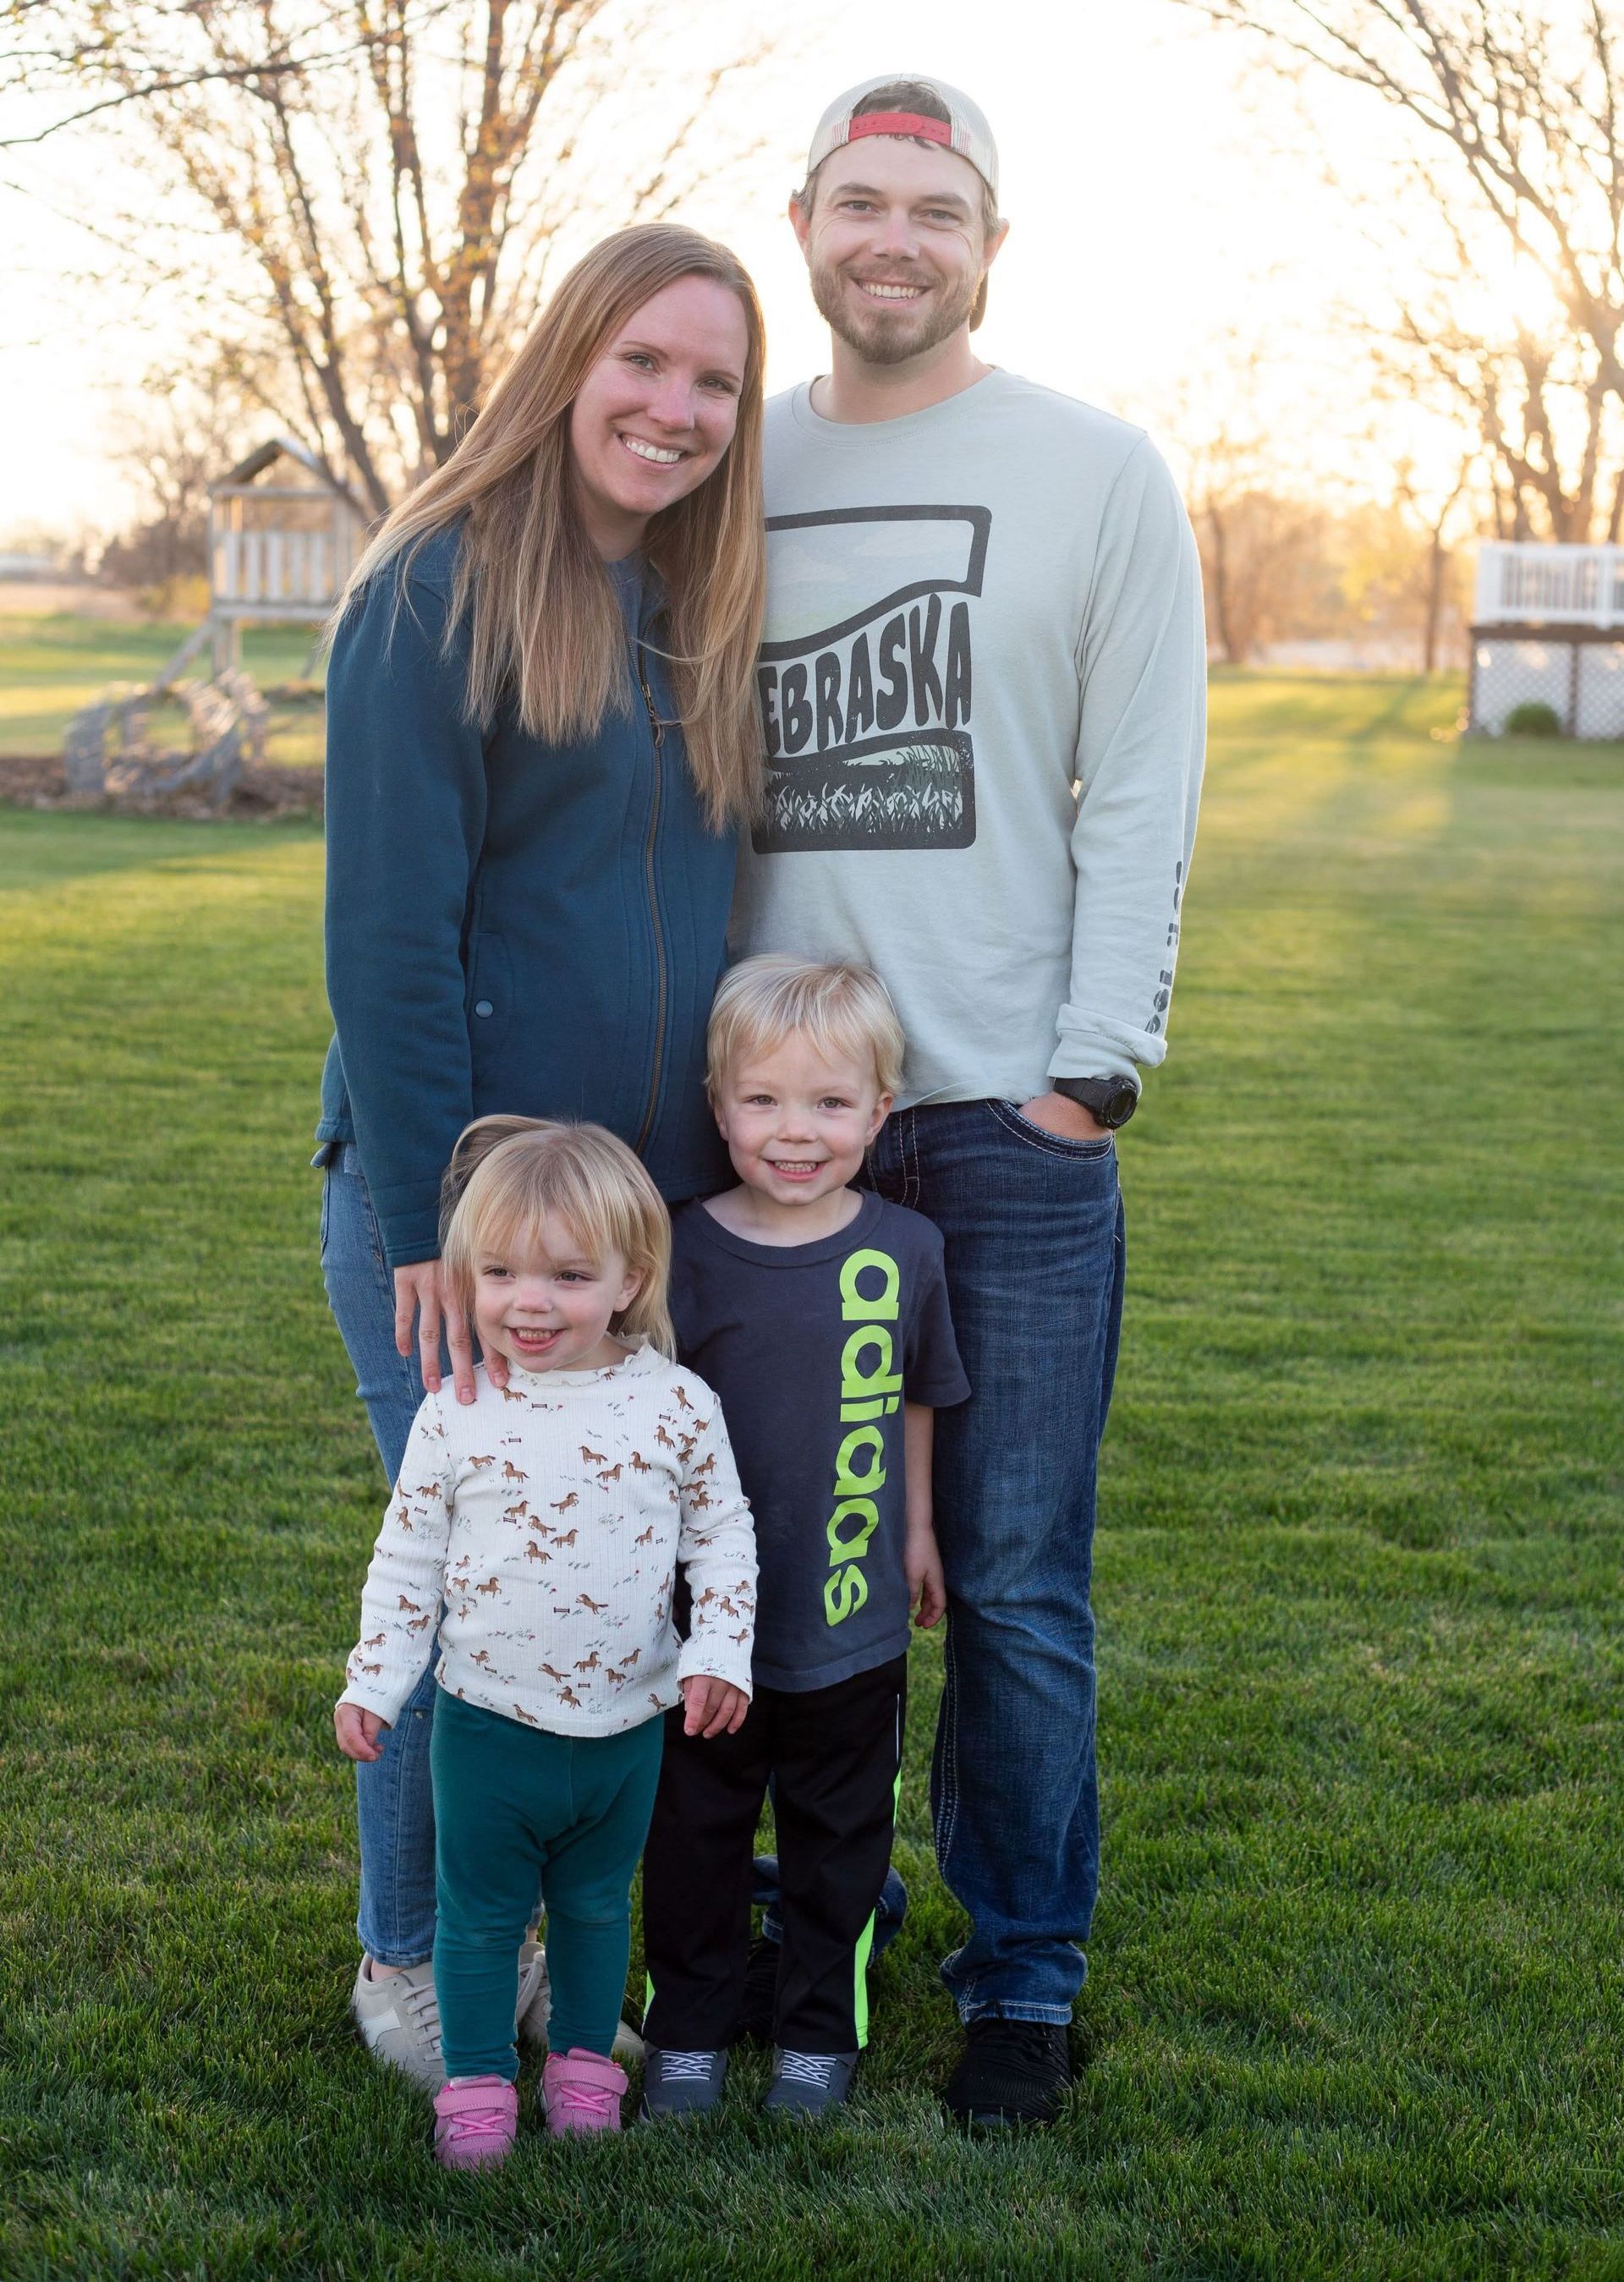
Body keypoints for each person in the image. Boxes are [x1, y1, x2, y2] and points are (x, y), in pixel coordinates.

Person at [733, 78, 1207, 2127]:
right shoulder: (717, 457)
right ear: (804, 223)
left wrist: (1088, 1078)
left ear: (989, 241)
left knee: (1009, 1575)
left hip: (1006, 1123)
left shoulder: (1097, 473)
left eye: (935, 207)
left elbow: (1148, 781)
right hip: (768, 1119)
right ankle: (763, 1916)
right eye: (861, 202)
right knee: (748, 1557)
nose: (894, 239)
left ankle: (1019, 1971)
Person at [315, 223, 766, 2087]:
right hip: (474, 1225)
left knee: (604, 1592)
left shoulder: (693, 603)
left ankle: (580, 1940)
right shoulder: (436, 590)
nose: (676, 409)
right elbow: (390, 933)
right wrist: (435, 1208)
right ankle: (416, 1957)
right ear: (570, 357)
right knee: (461, 1595)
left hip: (639, 1220)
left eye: (717, 384)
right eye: (646, 363)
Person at [334, 1117, 756, 2166]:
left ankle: (579, 2064)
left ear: (629, 1277)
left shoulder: (675, 1405)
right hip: (487, 1727)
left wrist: (718, 1653)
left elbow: (723, 1533)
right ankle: (477, 2083)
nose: (530, 1301)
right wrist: (377, 1683)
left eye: (569, 1275)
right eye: (502, 1272)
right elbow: (407, 1560)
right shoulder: (457, 1411)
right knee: (477, 1918)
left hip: (626, 1727)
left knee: (595, 1905)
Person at [638, 957, 968, 2120]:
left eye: (830, 1103)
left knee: (840, 1843)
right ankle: (688, 2027)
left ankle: (820, 2034)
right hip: (704, 1638)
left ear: (880, 1111)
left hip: (851, 1617)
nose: (795, 1131)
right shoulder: (676, 1250)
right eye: (764, 1100)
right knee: (694, 1837)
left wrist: (919, 1528)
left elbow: (920, 1392)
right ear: (718, 1106)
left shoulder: (906, 1250)